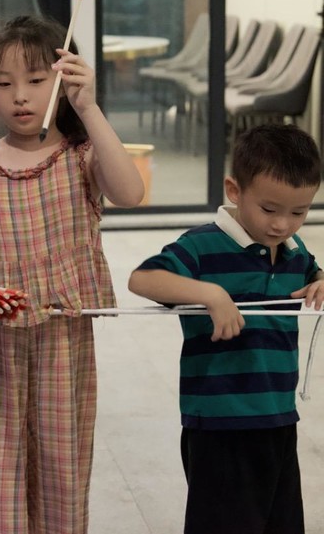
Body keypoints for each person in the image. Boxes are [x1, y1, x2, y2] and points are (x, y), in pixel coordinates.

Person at [0, 14, 145, 533]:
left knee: (59, 475)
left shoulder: (82, 157)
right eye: (4, 84)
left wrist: (89, 108)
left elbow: (131, 193)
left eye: (37, 80)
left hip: (62, 348)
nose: (20, 96)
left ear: (62, 81)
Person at [128, 123, 324, 534]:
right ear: (235, 191)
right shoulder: (202, 246)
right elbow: (143, 279)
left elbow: (313, 272)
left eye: (299, 212)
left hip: (278, 418)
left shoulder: (294, 250)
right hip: (220, 424)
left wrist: (321, 280)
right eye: (269, 209)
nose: (282, 225)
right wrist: (210, 294)